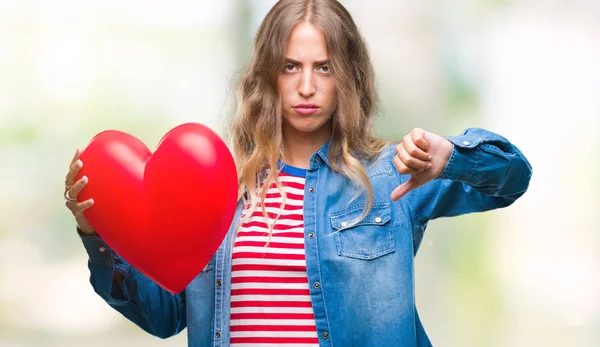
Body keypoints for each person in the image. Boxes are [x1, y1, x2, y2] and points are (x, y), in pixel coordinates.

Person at [63, 0, 532, 346]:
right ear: (268, 76)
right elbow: (164, 316)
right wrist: (94, 230)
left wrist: (451, 155)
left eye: (323, 68)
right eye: (291, 67)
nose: (306, 87)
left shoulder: (396, 173)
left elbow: (513, 178)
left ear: (347, 76)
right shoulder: (217, 191)